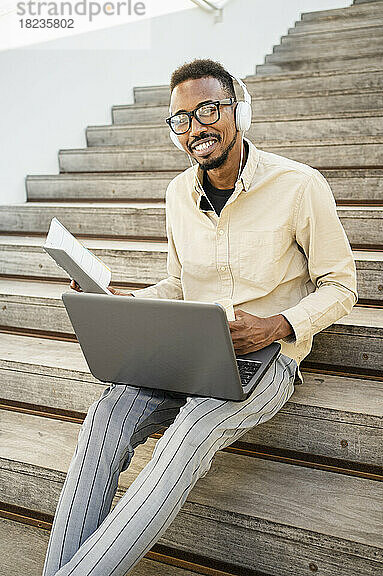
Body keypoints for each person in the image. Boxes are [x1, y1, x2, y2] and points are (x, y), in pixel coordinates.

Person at [42, 59, 357, 576]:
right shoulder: (177, 195)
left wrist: (276, 325)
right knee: (105, 416)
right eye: (181, 119)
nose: (195, 128)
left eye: (208, 109)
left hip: (262, 357)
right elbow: (180, 283)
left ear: (239, 112)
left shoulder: (300, 186)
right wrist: (121, 301)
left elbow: (343, 286)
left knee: (189, 432)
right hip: (186, 346)